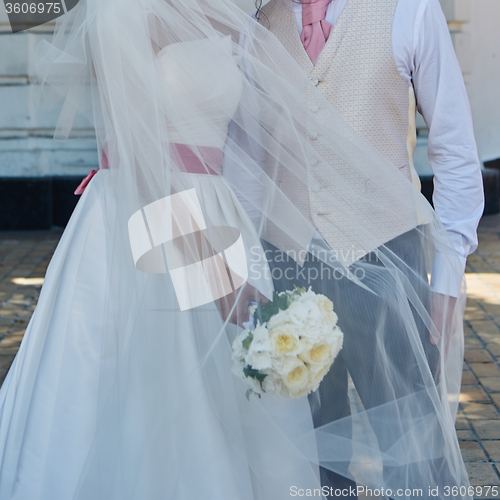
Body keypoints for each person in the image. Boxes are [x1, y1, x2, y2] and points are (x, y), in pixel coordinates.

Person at [0, 0, 476, 498]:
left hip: (332, 239)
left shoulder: (242, 11)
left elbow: (247, 150)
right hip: (157, 223)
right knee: (198, 405)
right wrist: (219, 268)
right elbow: (142, 159)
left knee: (407, 437)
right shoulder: (138, 13)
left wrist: (448, 270)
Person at [221, 0, 484, 495]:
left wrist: (449, 275)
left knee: (411, 435)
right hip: (286, 262)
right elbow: (247, 165)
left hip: (385, 253)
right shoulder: (260, 20)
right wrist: (250, 269)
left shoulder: (410, 9)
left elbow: (454, 146)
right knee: (308, 443)